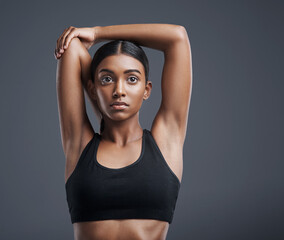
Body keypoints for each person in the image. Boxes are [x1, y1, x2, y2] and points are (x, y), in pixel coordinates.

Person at [54, 24, 192, 240]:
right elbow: (71, 46)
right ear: (92, 88)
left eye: (132, 79)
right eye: (107, 79)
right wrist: (101, 106)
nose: (119, 91)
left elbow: (177, 37)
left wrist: (98, 33)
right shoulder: (79, 145)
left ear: (146, 90)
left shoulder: (166, 141)